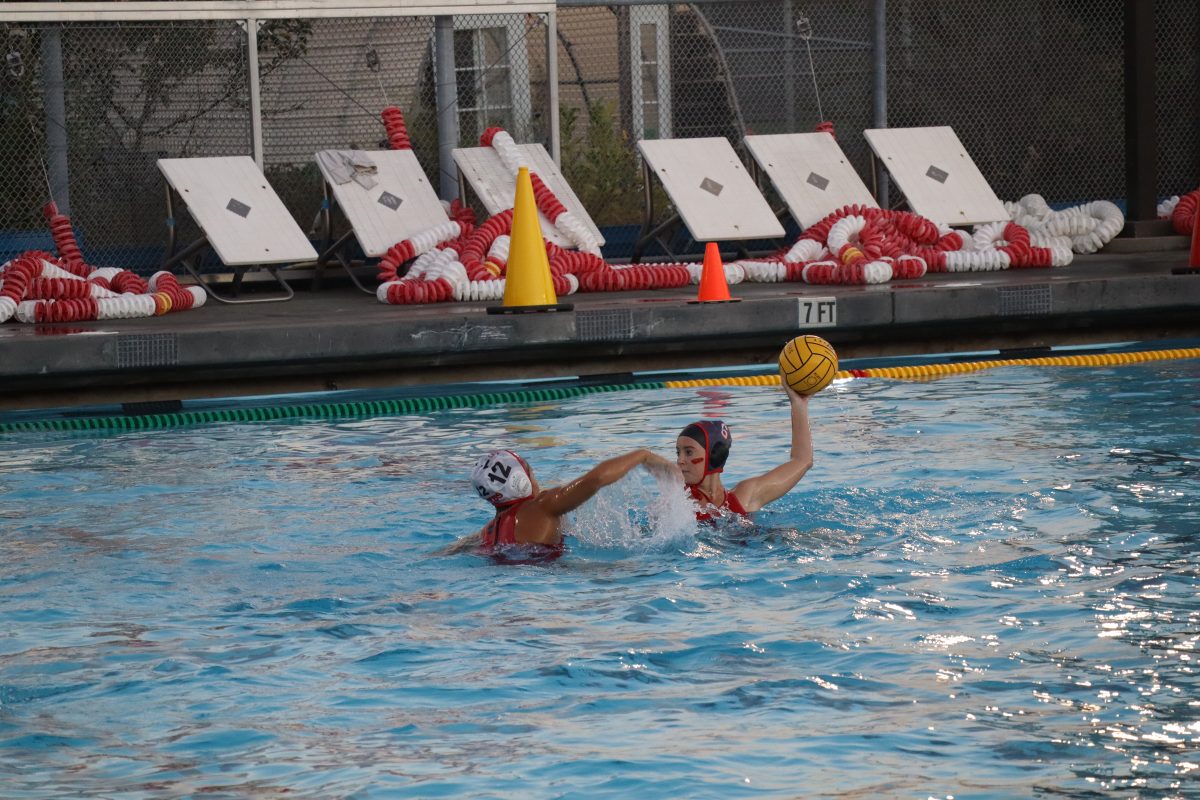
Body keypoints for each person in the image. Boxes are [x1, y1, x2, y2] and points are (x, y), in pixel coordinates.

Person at [446, 447, 678, 555]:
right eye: (531, 473)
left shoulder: (487, 532)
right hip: (547, 582)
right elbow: (594, 480)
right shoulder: (543, 507)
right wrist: (642, 456)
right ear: (520, 482)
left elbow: (452, 550)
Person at [676, 384, 813, 522]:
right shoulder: (677, 504)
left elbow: (802, 461)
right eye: (678, 452)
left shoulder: (744, 496)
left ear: (714, 454)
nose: (679, 460)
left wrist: (799, 404)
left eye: (688, 452)